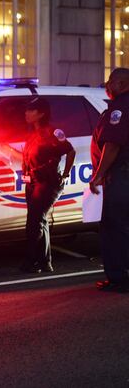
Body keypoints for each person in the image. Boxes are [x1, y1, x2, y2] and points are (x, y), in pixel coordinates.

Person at [20, 97, 75, 274]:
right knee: (39, 221)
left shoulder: (53, 132)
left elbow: (70, 150)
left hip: (47, 183)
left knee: (34, 222)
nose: (26, 113)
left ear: (41, 113)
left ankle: (32, 261)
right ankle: (44, 262)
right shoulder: (32, 134)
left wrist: (65, 174)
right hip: (33, 182)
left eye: (31, 110)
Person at [89, 67, 129, 293]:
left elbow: (112, 145)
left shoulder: (120, 108)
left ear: (121, 84)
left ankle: (119, 277)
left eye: (110, 81)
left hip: (122, 175)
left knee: (115, 226)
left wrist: (99, 175)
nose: (107, 85)